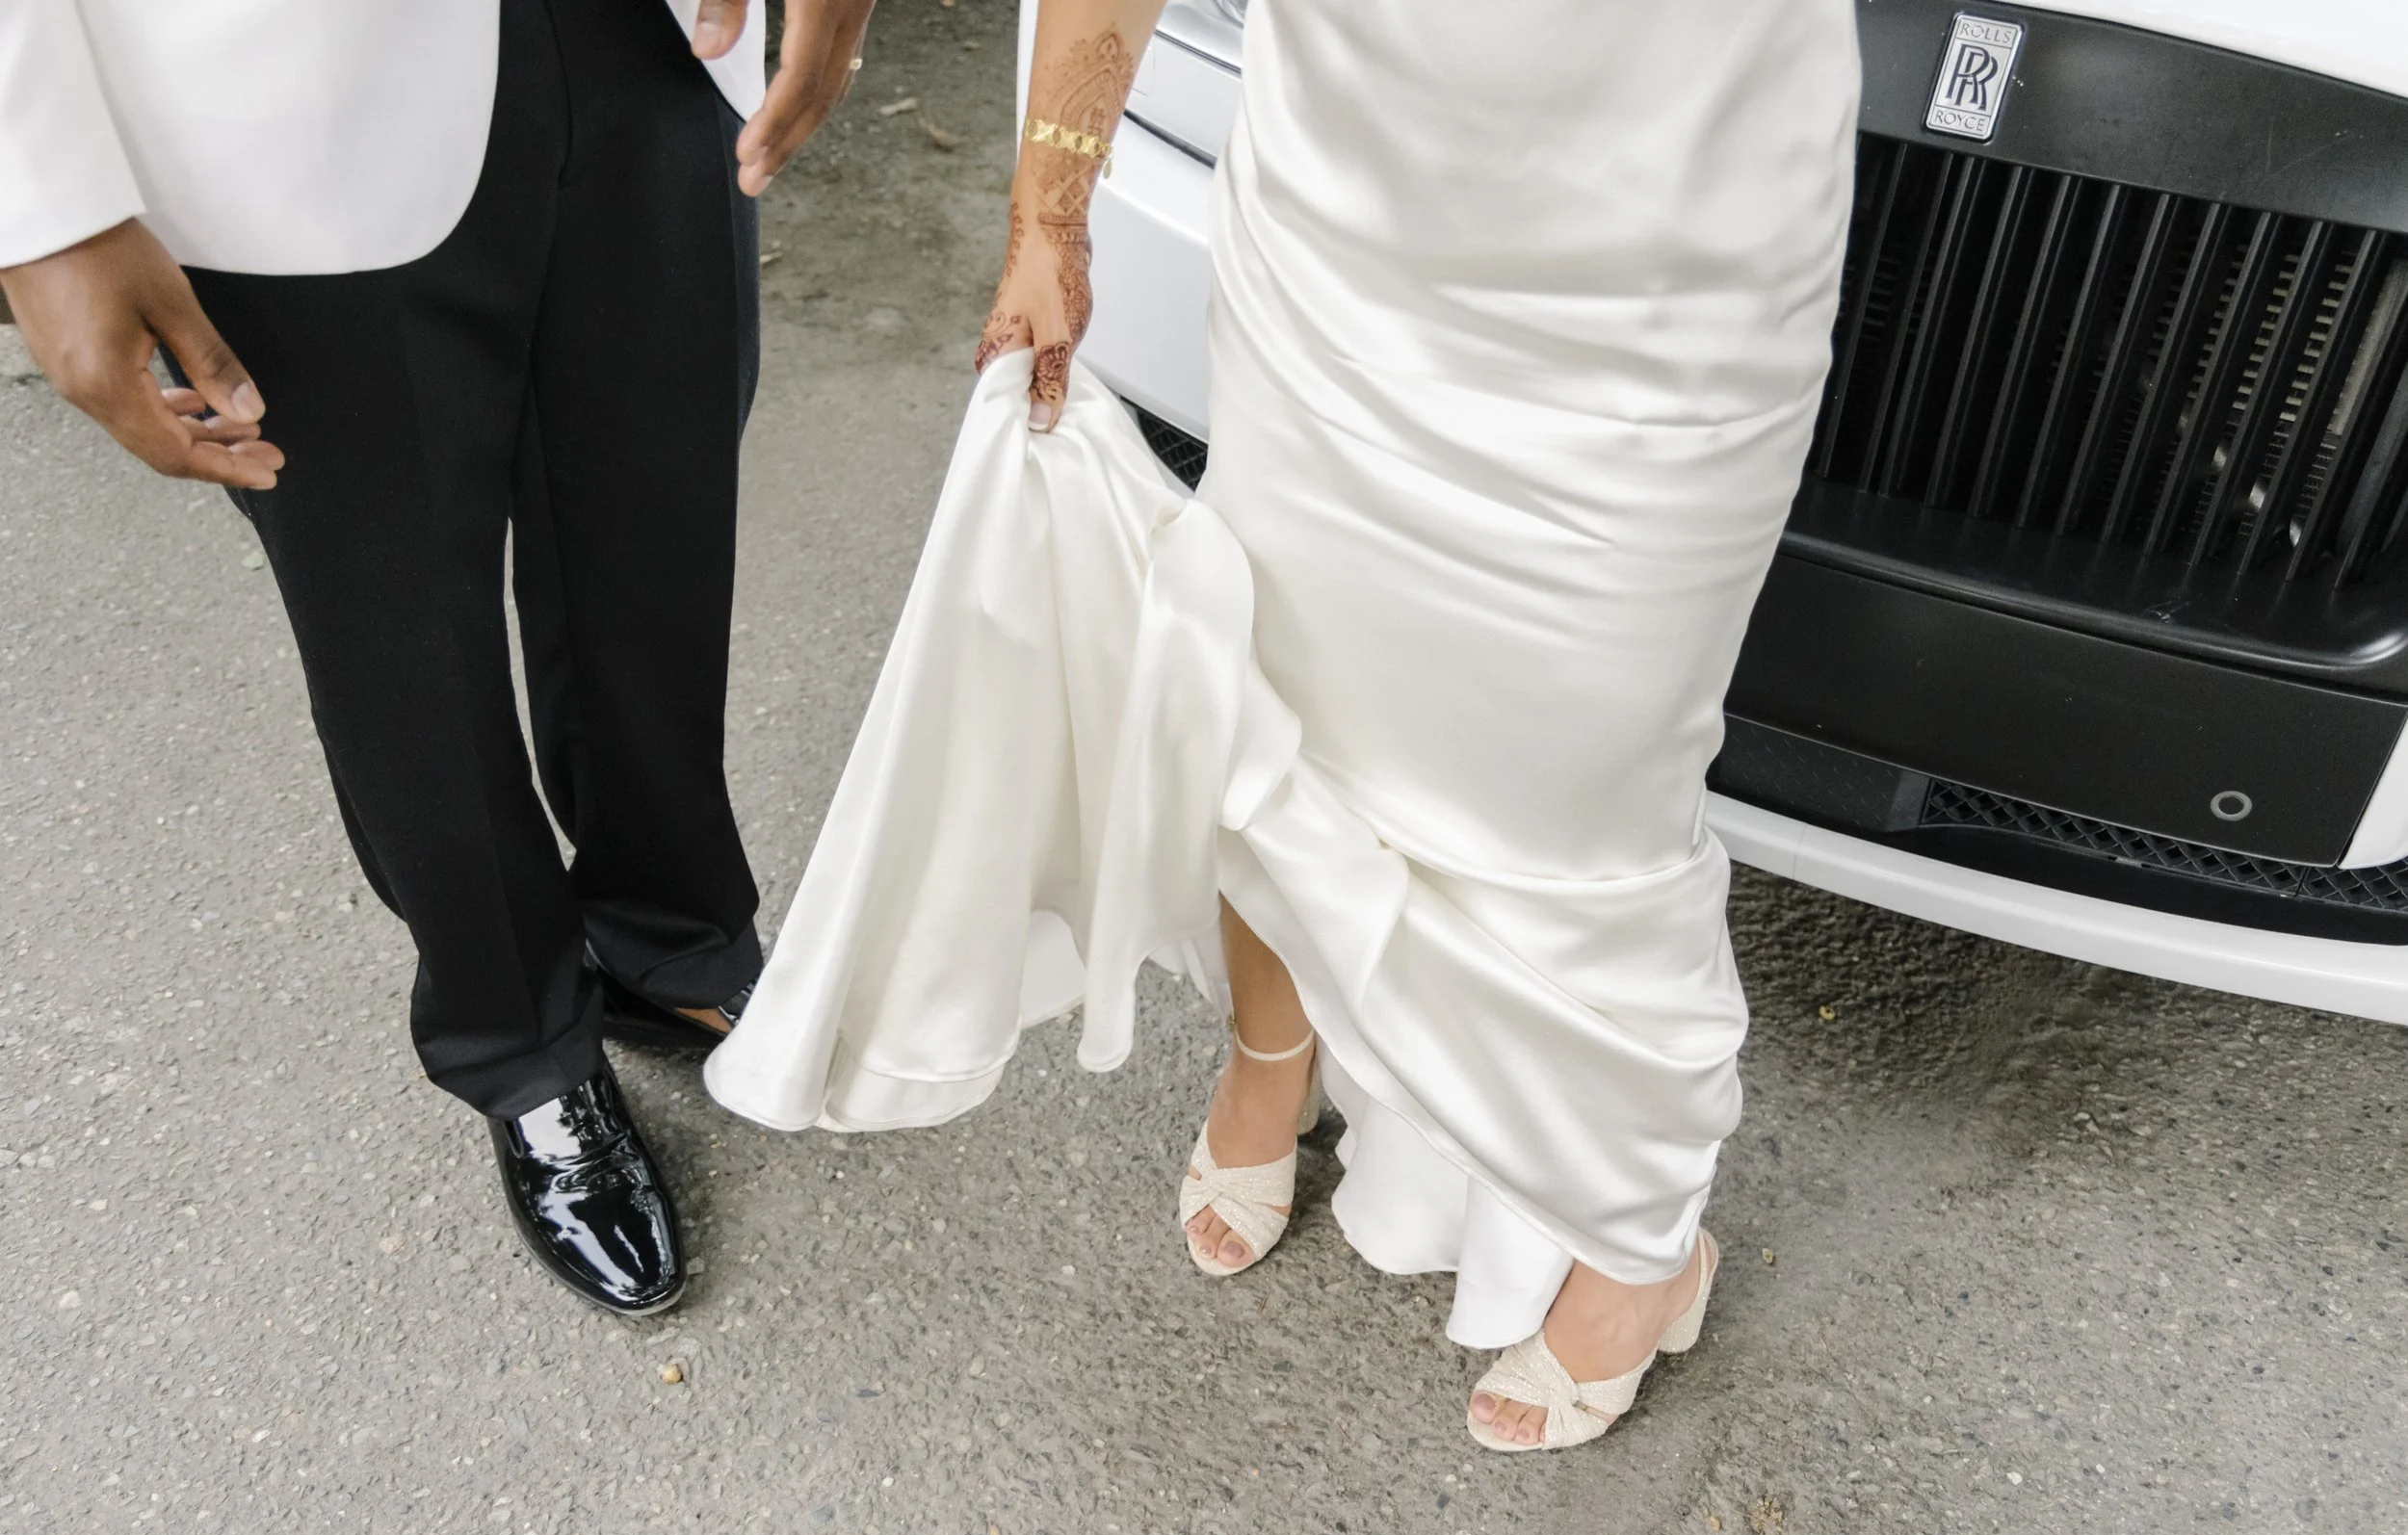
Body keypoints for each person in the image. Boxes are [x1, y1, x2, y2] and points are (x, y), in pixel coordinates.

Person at [706, 0, 1857, 1451]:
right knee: (1285, 681)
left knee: (1590, 776)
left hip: (1675, 239)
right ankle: (1274, 1048)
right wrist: (1050, 208)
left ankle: (1639, 1233)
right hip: (1353, 222)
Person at [0, 0, 872, 1315]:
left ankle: (670, 931)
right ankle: (518, 1035)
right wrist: (39, 203)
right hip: (280, 88)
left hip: (656, 34)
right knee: (397, 617)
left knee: (659, 503)